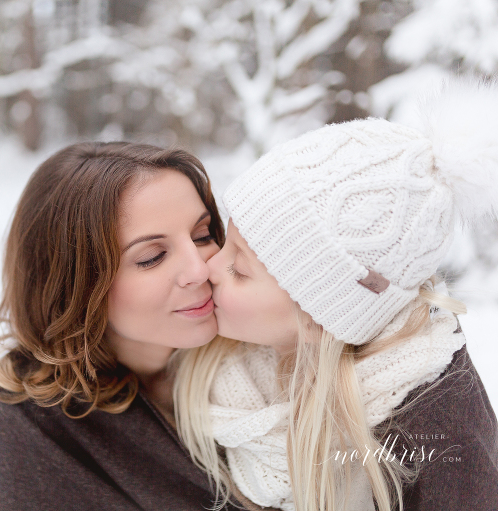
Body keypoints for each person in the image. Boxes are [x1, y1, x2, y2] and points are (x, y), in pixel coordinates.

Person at [174, 77, 498, 511]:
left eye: (239, 268)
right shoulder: (230, 367)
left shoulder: (435, 430)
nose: (208, 266)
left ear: (316, 315)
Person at [0, 141, 233, 510]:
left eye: (202, 235)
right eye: (152, 257)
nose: (199, 268)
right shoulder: (40, 429)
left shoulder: (270, 348)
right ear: (74, 286)